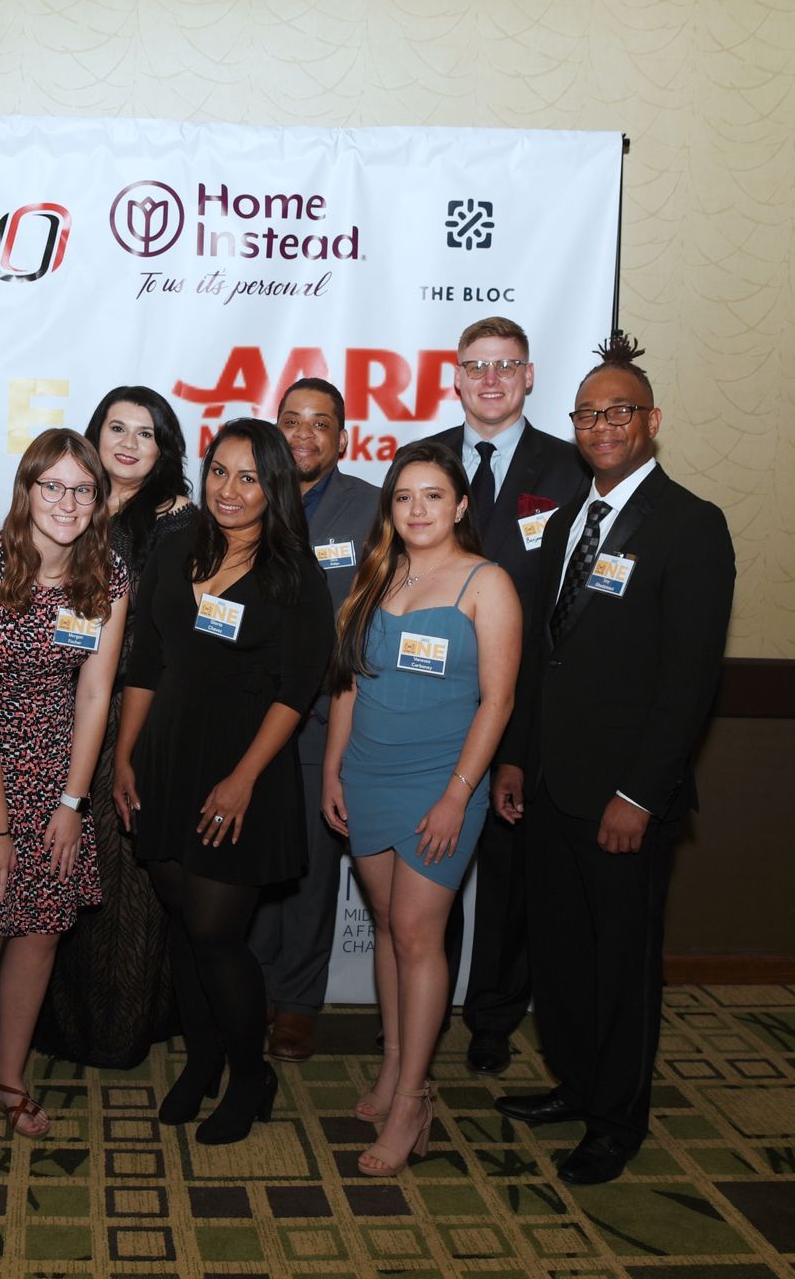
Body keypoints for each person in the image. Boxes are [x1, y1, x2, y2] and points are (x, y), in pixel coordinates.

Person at [493, 332, 735, 1186]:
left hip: (622, 798)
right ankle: (577, 1082)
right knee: (561, 954)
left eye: (619, 411)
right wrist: (515, 760)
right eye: (588, 413)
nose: (602, 426)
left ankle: (618, 1119)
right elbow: (542, 659)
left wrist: (639, 794)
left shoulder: (691, 526)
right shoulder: (565, 522)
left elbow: (689, 681)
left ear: (652, 421)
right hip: (550, 785)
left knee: (622, 965)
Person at [113, 419, 335, 1146]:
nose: (229, 490)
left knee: (216, 931)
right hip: (166, 759)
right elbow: (147, 661)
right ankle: (203, 1058)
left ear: (275, 487)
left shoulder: (294, 574)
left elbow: (296, 691)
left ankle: (249, 1075)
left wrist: (242, 780)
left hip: (245, 771)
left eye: (248, 477)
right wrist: (125, 754)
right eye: (219, 472)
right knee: (182, 920)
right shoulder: (175, 546)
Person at [0, 429, 129, 1169]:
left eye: (83, 490)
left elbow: (96, 695)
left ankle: (9, 1080)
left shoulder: (108, 574)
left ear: (97, 500)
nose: (67, 503)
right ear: (27, 491)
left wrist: (72, 803)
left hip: (56, 772)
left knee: (41, 933)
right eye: (53, 487)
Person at [321, 440, 521, 1176]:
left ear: (460, 505)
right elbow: (350, 680)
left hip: (443, 783)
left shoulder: (487, 583)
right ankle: (394, 1067)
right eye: (404, 497)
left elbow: (498, 701)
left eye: (433, 495)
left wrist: (457, 795)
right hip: (368, 774)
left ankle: (413, 1099)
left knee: (415, 934)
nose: (417, 509)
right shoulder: (378, 573)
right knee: (385, 926)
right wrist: (333, 769)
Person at [424, 316, 589, 1076]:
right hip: (433, 703)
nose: (490, 379)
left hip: (523, 708)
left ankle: (492, 1016)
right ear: (456, 379)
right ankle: (422, 1013)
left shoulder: (570, 469)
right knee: (431, 866)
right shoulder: (422, 462)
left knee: (510, 875)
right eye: (476, 365)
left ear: (528, 377)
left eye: (506, 365)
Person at [33, 387, 192, 1069]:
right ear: (94, 436)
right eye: (116, 428)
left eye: (145, 433)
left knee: (125, 879)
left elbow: (173, 639)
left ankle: (120, 1027)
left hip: (134, 718)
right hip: (50, 709)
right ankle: (54, 1020)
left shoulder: (179, 524)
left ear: (164, 448)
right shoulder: (72, 505)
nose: (129, 443)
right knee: (58, 866)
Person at [250, 377, 380, 1064]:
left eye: (320, 423)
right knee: (250, 863)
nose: (304, 435)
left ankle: (297, 1002)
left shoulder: (372, 508)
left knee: (309, 870)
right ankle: (255, 990)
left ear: (343, 438)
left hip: (324, 721)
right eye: (292, 421)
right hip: (245, 719)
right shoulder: (243, 493)